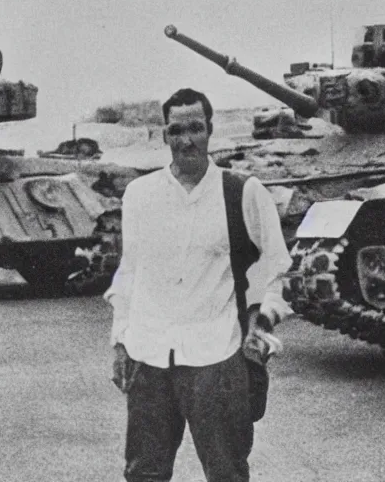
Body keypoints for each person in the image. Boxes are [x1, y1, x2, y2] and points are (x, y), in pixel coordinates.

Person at [104, 88, 293, 482]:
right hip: (149, 354)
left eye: (195, 128)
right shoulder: (140, 195)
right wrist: (120, 340)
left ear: (209, 130)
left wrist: (263, 318)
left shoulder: (242, 192)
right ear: (164, 136)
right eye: (176, 130)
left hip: (217, 355)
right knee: (144, 473)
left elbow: (274, 263)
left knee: (226, 471)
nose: (186, 139)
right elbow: (130, 272)